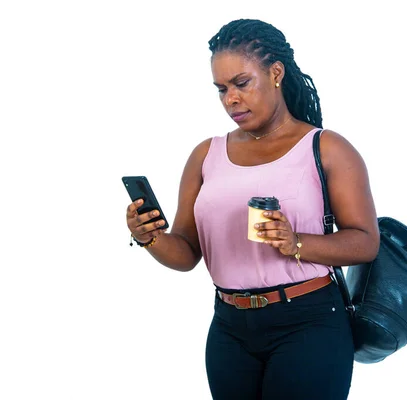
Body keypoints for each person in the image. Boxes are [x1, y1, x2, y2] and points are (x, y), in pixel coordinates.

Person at [125, 19, 380, 400]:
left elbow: (365, 243)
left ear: (275, 73)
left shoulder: (326, 148)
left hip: (308, 321)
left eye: (242, 84)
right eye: (221, 89)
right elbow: (185, 253)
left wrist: (296, 243)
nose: (231, 99)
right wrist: (149, 238)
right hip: (230, 329)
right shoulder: (205, 155)